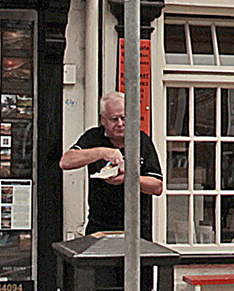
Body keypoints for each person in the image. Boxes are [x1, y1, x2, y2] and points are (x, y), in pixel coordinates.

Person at [60, 92, 163, 237]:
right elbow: (66, 162)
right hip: (100, 226)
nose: (120, 124)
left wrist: (129, 178)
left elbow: (157, 187)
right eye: (114, 119)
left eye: (124, 117)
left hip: (137, 228)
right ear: (103, 120)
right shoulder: (93, 138)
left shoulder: (142, 141)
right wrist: (102, 152)